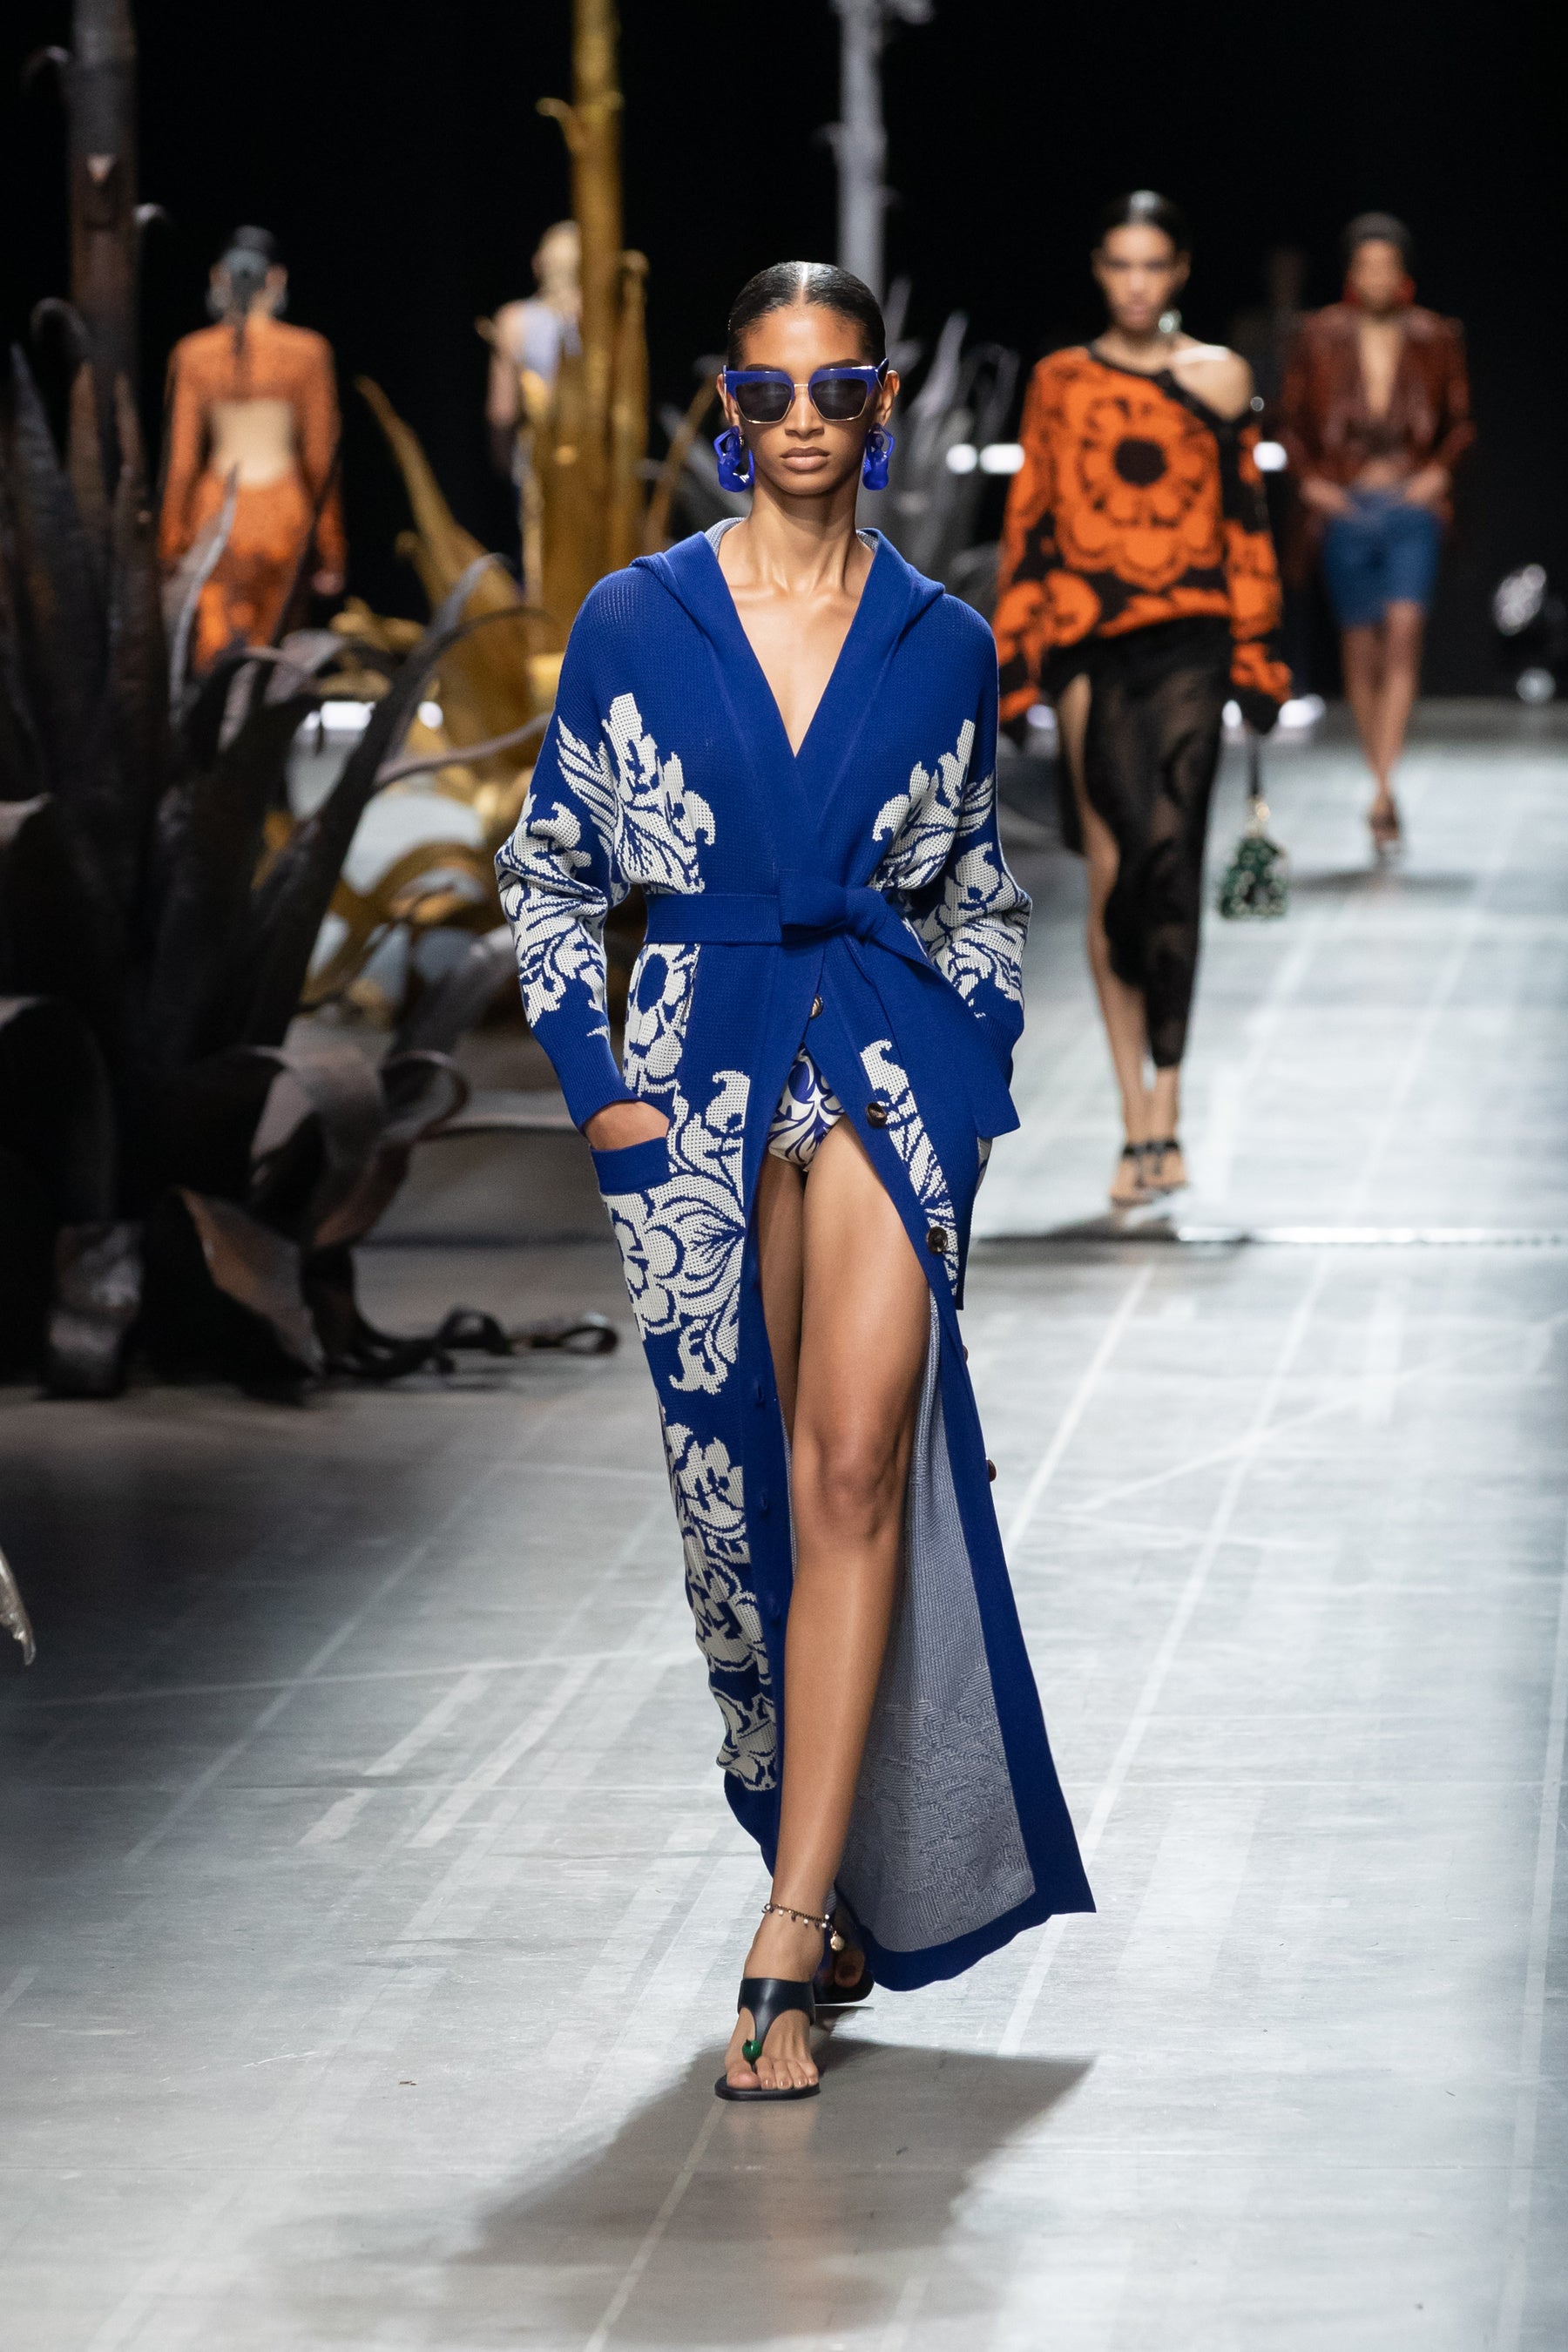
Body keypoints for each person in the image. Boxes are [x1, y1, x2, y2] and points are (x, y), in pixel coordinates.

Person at [497, 260, 1092, 2101]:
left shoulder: (941, 640)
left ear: (883, 402)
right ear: (729, 412)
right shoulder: (639, 619)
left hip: (888, 1062)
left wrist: (974, 1074)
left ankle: (791, 1917)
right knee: (733, 1502)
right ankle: (800, 1836)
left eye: (838, 387)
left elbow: (979, 888)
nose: (805, 419)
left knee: (851, 1468)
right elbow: (549, 869)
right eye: (770, 392)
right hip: (695, 1068)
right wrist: (601, 1096)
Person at [994, 190, 1290, 1208]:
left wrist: (1259, 654)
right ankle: (1134, 1116)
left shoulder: (1221, 377)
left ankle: (1170, 1094)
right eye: (1119, 264)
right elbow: (1032, 517)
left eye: (1152, 265)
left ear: (1179, 272)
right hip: (1090, 644)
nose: (1135, 283)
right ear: (1098, 270)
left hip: (1194, 641)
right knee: (1117, 870)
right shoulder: (1060, 381)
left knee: (1173, 862)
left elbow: (1247, 518)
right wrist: (1016, 658)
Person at [1279, 214, 1473, 854]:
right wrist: (1312, 483)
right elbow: (1289, 420)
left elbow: (1460, 421)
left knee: (1405, 636)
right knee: (1360, 647)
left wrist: (1437, 473)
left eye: (1387, 266)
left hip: (1409, 503)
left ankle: (1383, 790)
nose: (1377, 278)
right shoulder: (1320, 336)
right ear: (1351, 273)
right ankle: (1381, 778)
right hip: (1348, 506)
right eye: (1366, 266)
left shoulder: (1435, 335)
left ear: (1403, 272)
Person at [159, 227, 345, 671]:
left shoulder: (193, 353)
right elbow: (321, 459)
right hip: (285, 513)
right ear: (276, 279)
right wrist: (331, 548)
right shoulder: (306, 351)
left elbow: (181, 462)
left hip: (217, 515)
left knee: (215, 657)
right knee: (278, 656)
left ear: (219, 278)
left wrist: (170, 544)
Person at [484, 220, 582, 603]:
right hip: (592, 461)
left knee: (540, 564)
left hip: (536, 462)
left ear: (539, 264)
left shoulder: (513, 321)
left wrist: (504, 461)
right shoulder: (602, 320)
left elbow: (502, 412)